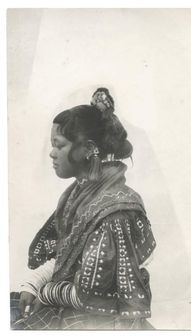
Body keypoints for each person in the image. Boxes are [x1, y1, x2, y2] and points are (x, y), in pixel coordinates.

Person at [10, 88, 156, 330]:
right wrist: (33, 284)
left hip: (101, 321)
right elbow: (66, 256)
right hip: (69, 302)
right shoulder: (81, 193)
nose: (52, 153)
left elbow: (87, 295)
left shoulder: (113, 212)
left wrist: (44, 293)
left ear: (88, 149)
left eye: (59, 145)